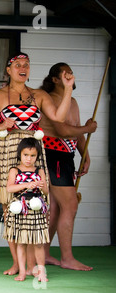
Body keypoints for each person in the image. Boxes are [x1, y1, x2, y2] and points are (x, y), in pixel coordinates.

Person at [0, 52, 75, 275]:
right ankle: (17, 263)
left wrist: (68, 88)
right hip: (6, 151)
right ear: (8, 70)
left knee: (35, 206)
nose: (23, 68)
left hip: (32, 150)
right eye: (18, 65)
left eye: (27, 65)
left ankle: (32, 265)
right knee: (11, 208)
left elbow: (58, 117)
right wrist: (0, 126)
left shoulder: (39, 95)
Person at [40, 63, 96, 271]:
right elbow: (63, 130)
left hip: (67, 155)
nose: (70, 75)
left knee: (55, 208)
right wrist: (88, 128)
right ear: (55, 79)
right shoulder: (50, 99)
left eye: (71, 72)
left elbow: (77, 133)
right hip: (52, 155)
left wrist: (85, 156)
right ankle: (67, 258)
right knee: (70, 205)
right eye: (65, 73)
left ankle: (45, 254)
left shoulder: (71, 100)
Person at [4, 137, 49, 282]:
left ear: (37, 156)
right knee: (21, 242)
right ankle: (22, 272)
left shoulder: (39, 170)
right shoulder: (14, 170)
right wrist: (26, 185)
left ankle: (41, 271)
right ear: (20, 154)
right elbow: (10, 188)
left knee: (38, 242)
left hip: (35, 209)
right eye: (25, 155)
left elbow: (47, 192)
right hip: (20, 209)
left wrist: (41, 186)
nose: (29, 159)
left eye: (33, 156)